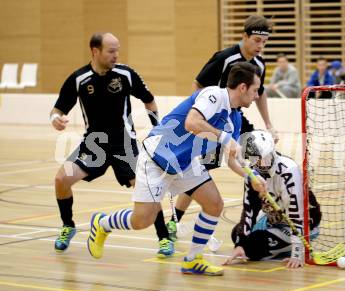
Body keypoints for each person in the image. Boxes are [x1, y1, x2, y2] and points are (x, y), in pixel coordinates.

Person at [86, 62, 267, 276]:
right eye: (255, 90)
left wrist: (252, 176)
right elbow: (192, 122)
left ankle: (193, 259)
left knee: (214, 204)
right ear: (243, 87)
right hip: (158, 157)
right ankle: (102, 223)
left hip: (186, 162)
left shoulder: (234, 119)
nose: (257, 96)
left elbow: (231, 159)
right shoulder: (214, 95)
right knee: (142, 220)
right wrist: (224, 137)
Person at [49, 32, 176, 257]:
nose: (116, 55)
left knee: (148, 190)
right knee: (61, 179)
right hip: (94, 145)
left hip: (124, 144)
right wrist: (55, 119)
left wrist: (158, 131)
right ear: (95, 51)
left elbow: (149, 100)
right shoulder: (79, 79)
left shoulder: (125, 74)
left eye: (117, 50)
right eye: (111, 51)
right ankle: (68, 226)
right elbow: (58, 109)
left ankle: (164, 238)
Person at [166, 14, 278, 240]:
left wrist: (269, 124)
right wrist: (200, 118)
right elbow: (198, 84)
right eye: (257, 41)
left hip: (236, 118)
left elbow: (259, 94)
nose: (260, 46)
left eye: (264, 42)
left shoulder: (259, 64)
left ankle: (263, 212)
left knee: (262, 155)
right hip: (214, 119)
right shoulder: (225, 58)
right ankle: (174, 221)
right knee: (201, 170)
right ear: (245, 37)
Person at [223, 130, 321, 268]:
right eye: (256, 159)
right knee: (237, 235)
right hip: (274, 220)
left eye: (265, 157)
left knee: (253, 247)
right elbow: (249, 211)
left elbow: (296, 214)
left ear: (273, 151)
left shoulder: (289, 171)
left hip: (302, 224)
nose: (262, 163)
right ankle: (274, 244)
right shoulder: (252, 175)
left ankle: (284, 244)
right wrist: (239, 244)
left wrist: (298, 253)